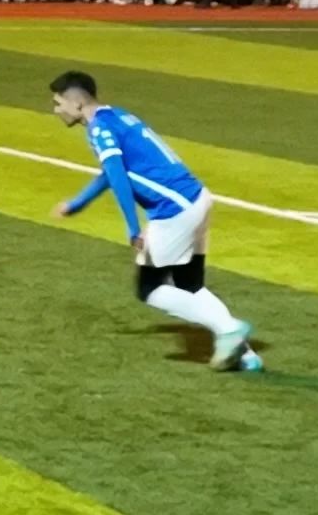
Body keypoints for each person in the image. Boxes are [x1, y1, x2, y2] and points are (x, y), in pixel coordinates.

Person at [47, 70, 260, 372]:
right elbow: (111, 172)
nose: (56, 110)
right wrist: (77, 204)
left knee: (149, 289)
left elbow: (117, 177)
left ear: (77, 103)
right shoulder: (117, 116)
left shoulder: (99, 129)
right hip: (198, 199)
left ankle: (229, 330)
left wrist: (133, 228)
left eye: (58, 103)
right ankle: (247, 355)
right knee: (189, 285)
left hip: (174, 210)